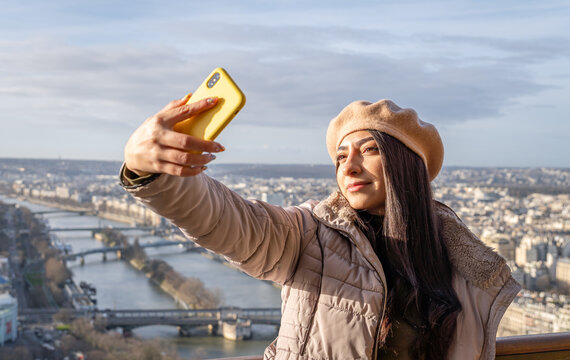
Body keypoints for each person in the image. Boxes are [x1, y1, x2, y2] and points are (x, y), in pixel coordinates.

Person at [120, 95, 520, 359]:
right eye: (340, 157)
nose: (349, 165)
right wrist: (152, 172)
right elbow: (228, 220)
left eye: (369, 150)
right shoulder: (309, 235)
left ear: (406, 166)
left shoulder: (460, 261)